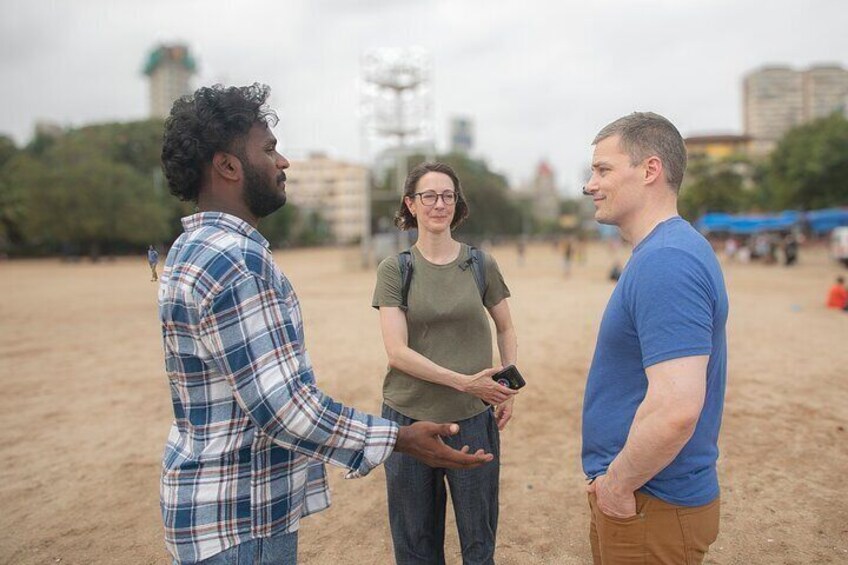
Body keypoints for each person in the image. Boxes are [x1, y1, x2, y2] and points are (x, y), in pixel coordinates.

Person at [158, 85, 493, 565]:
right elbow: (284, 409)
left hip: (211, 508)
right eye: (269, 149)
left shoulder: (191, 250)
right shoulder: (237, 262)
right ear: (229, 166)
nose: (283, 162)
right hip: (239, 519)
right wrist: (397, 438)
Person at [580, 112, 729, 564]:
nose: (590, 185)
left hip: (652, 501)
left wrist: (618, 485)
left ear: (650, 170)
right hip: (646, 498)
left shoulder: (667, 262)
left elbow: (677, 409)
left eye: (603, 170)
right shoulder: (668, 250)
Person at [372, 162, 519, 565]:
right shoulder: (395, 269)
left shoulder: (480, 265)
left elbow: (505, 328)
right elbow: (397, 352)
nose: (440, 204)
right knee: (416, 546)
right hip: (408, 422)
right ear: (411, 204)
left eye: (448, 196)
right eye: (429, 196)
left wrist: (507, 387)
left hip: (474, 420)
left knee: (478, 543)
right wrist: (464, 381)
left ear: (457, 203)